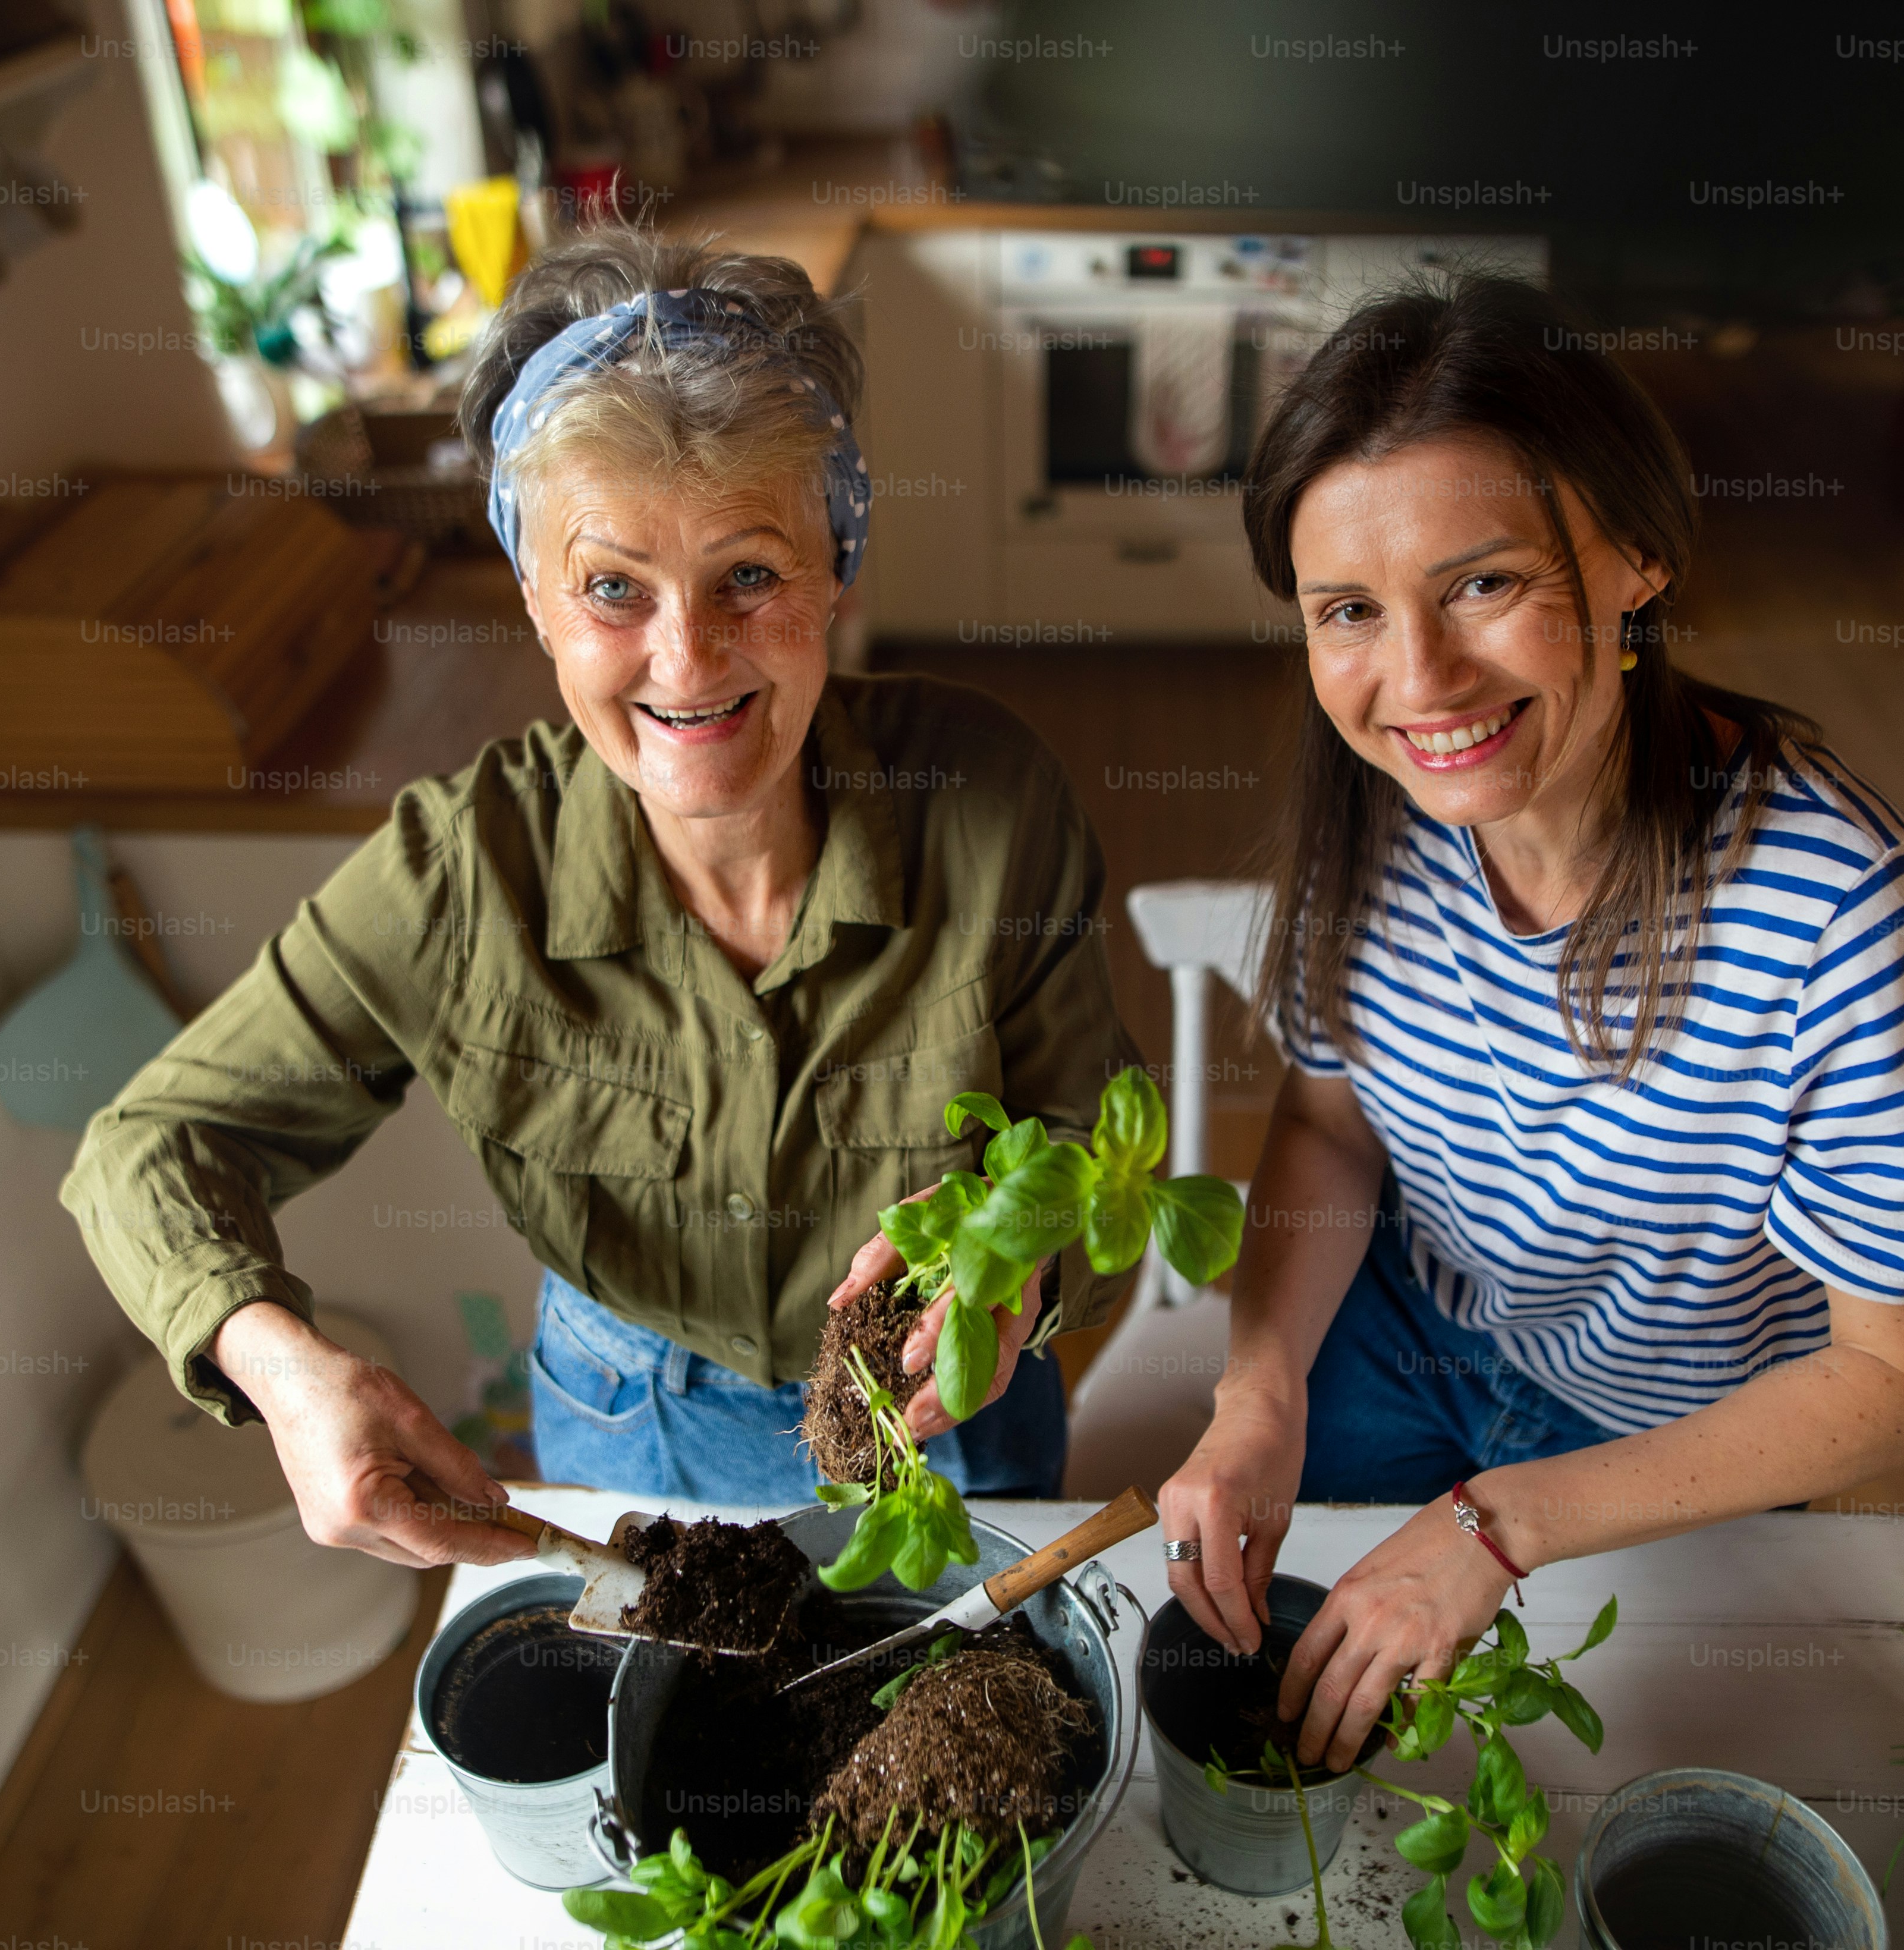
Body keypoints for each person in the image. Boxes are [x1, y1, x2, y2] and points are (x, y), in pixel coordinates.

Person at [61, 232, 1138, 1570]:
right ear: (536, 601)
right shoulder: (459, 875)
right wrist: (279, 1366)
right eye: (613, 588)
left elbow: (1098, 1153)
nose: (685, 660)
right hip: (632, 1425)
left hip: (951, 1417)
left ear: (838, 565)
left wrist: (1026, 1270)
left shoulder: (992, 801)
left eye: (750, 573)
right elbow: (145, 1143)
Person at [1157, 272, 1904, 1772]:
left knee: (1561, 1782)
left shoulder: (1844, 918)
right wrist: (1258, 1384)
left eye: (1482, 583)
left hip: (1652, 1449)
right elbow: (1330, 1120)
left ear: (1638, 560)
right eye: (1349, 610)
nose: (1419, 682)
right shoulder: (1377, 811)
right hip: (1394, 1338)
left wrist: (1498, 1521)